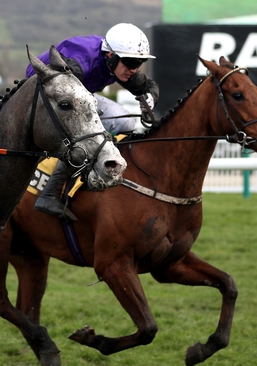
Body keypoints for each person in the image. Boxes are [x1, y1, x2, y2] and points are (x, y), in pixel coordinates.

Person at [25, 23, 160, 221]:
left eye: (139, 63)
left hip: (78, 95)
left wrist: (150, 97)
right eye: (131, 62)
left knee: (126, 122)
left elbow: (147, 84)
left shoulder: (116, 62)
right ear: (110, 55)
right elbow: (64, 99)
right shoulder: (81, 64)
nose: (134, 69)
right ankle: (50, 192)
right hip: (46, 94)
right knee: (86, 131)